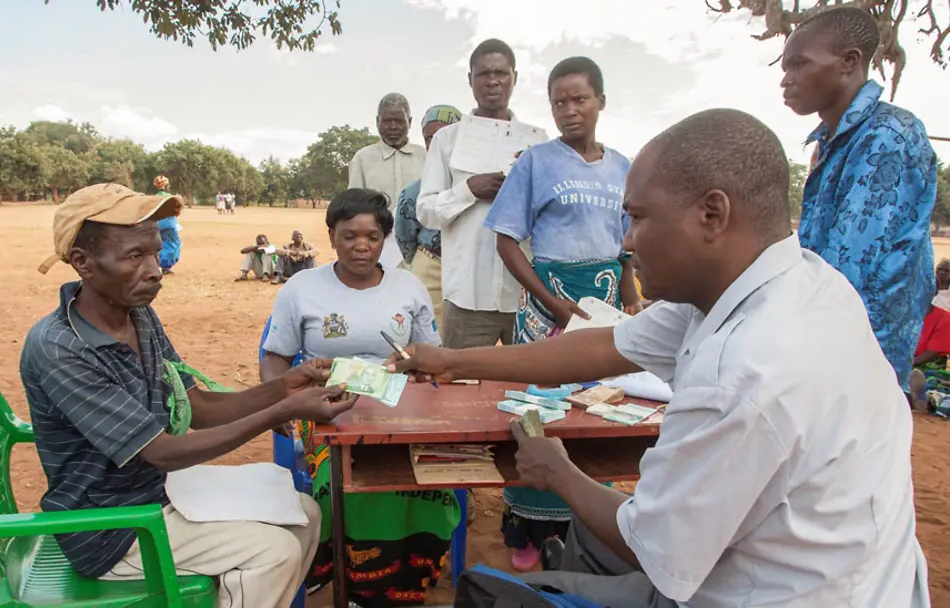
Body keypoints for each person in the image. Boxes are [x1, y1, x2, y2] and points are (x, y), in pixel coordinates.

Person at [388, 109, 930, 607]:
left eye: (639, 218)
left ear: (712, 214)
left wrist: (558, 472)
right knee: (586, 529)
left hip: (774, 593)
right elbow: (598, 348)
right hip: (856, 572)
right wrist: (452, 362)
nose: (627, 241)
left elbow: (653, 551)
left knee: (489, 593)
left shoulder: (744, 372)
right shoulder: (797, 280)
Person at [25, 183, 358, 608]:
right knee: (273, 552)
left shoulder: (137, 313)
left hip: (156, 493)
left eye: (154, 251)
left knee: (306, 514)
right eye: (134, 257)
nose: (154, 269)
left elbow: (197, 407)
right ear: (82, 263)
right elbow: (163, 452)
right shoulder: (62, 348)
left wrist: (283, 386)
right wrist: (286, 408)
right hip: (110, 529)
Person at [260, 188, 458, 607]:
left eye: (372, 236)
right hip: (326, 412)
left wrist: (412, 364)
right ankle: (360, 579)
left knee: (432, 479)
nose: (361, 246)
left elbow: (429, 358)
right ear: (331, 236)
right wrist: (278, 404)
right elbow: (275, 357)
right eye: (350, 235)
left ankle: (405, 577)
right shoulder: (302, 288)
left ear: (385, 238)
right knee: (347, 479)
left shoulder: (408, 286)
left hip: (401, 408)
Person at [483, 56, 641, 571]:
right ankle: (527, 528)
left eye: (579, 99)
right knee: (541, 410)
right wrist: (550, 301)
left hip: (602, 304)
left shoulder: (623, 166)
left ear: (601, 101)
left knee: (594, 408)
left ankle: (588, 525)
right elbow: (505, 240)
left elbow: (626, 245)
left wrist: (630, 295)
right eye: (558, 102)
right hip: (549, 302)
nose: (569, 111)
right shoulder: (536, 162)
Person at [781, 5, 937, 392]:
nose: (787, 80)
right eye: (786, 67)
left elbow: (845, 269)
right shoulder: (832, 141)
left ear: (849, 62)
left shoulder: (887, 135)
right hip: (829, 343)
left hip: (859, 354)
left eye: (799, 64)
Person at [418, 38, 545, 348]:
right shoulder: (448, 139)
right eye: (483, 73)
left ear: (515, 77)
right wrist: (468, 190)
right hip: (467, 294)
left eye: (501, 72)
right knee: (461, 389)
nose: (492, 81)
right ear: (470, 79)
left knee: (531, 388)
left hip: (525, 294)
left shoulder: (537, 140)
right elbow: (425, 211)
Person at [394, 104, 463, 331]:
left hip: (468, 267)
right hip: (431, 264)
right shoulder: (415, 192)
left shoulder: (482, 186)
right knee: (431, 331)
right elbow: (405, 236)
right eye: (429, 138)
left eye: (444, 135)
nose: (436, 144)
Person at [349, 93, 427, 270]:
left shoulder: (426, 156)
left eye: (399, 121)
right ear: (377, 121)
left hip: (421, 250)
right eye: (387, 121)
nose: (393, 126)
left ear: (410, 121)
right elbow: (353, 208)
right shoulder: (363, 159)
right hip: (377, 248)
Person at [152, 175, 181, 275]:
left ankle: (158, 264)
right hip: (169, 223)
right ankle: (165, 265)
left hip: (156, 223)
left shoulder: (153, 198)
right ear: (167, 186)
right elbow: (177, 209)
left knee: (159, 244)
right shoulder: (171, 198)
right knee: (174, 244)